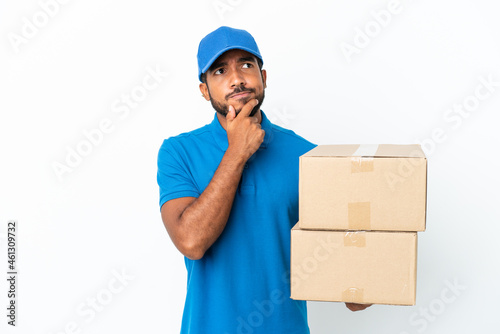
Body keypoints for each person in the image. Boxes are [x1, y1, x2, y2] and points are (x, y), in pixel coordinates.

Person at [157, 26, 370, 334]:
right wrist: (237, 153)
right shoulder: (179, 152)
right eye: (219, 71)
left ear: (263, 76)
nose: (237, 79)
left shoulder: (306, 155)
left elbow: (342, 268)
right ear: (204, 90)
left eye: (246, 64)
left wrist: (361, 283)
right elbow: (191, 241)